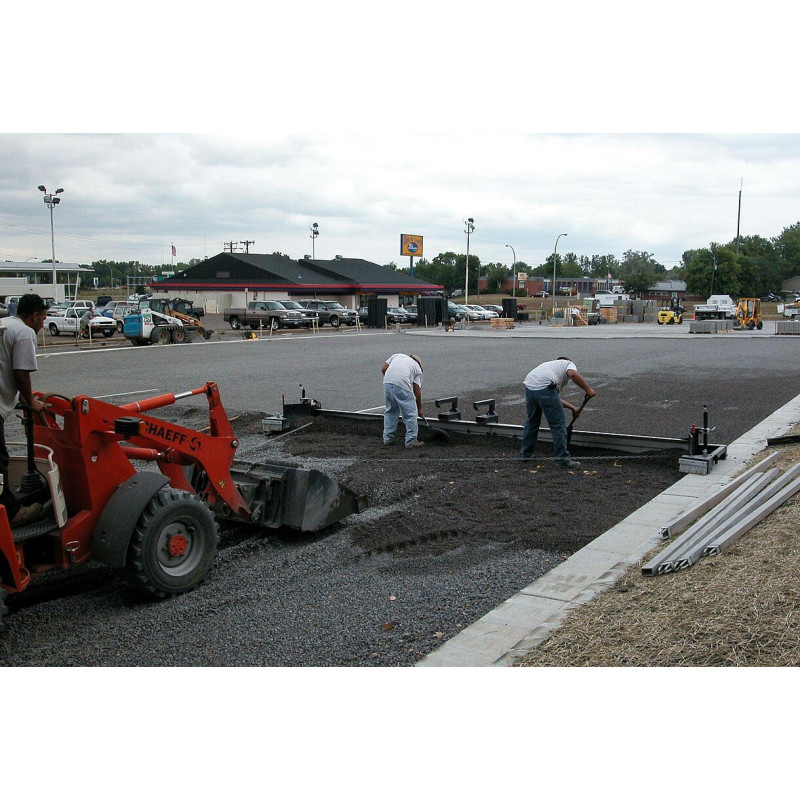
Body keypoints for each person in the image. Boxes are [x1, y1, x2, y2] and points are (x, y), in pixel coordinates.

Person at [0, 294, 49, 525]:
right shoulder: (24, 332)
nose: (43, 323)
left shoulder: (4, 324)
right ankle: (10, 513)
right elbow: (21, 372)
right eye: (43, 318)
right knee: (0, 460)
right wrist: (31, 402)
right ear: (35, 316)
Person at [519, 356, 596, 469]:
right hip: (544, 387)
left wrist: (572, 408)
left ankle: (525, 455)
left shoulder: (550, 368)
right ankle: (562, 459)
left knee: (532, 422)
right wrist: (588, 389)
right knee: (558, 425)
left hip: (530, 387)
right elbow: (573, 374)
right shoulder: (568, 364)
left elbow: (551, 398)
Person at [381, 353, 424, 448]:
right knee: (410, 414)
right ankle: (411, 440)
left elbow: (383, 369)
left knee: (390, 411)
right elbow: (416, 390)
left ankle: (388, 439)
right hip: (402, 384)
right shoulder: (417, 368)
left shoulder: (397, 356)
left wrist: (392, 378)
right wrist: (419, 408)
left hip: (387, 383)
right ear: (418, 363)